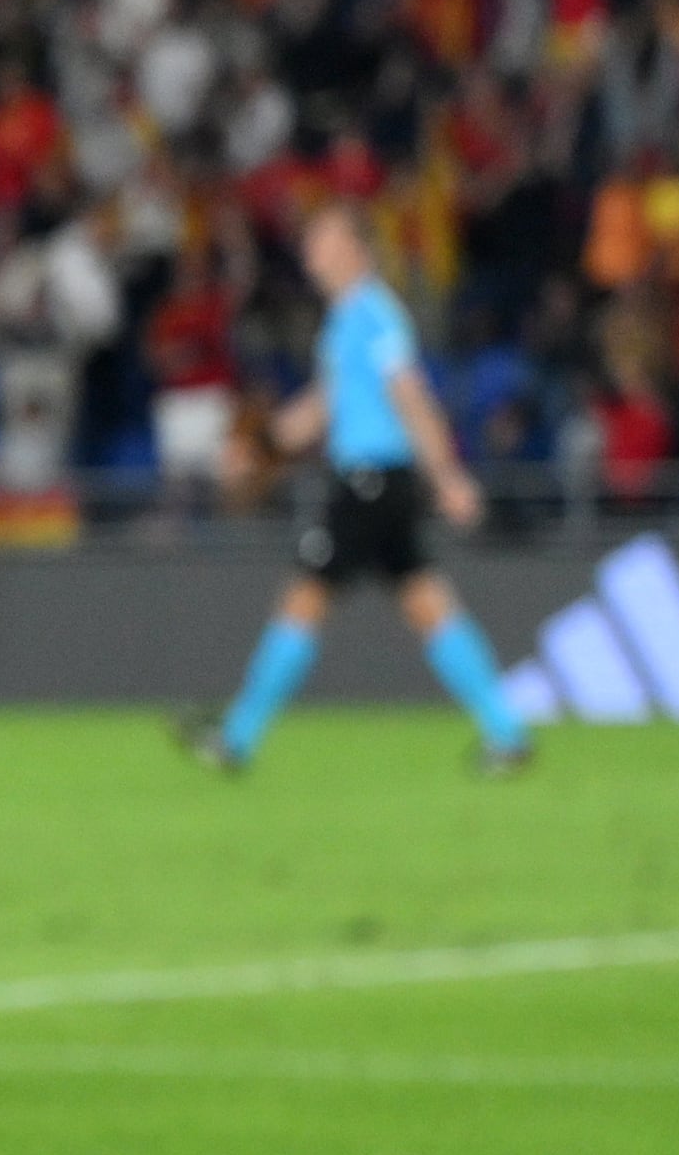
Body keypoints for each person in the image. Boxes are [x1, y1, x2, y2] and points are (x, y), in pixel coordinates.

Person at [183, 200, 535, 776]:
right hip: (382, 483)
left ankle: (237, 737)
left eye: (322, 240)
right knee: (429, 605)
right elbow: (324, 407)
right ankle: (506, 732)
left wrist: (447, 475)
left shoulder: (374, 314)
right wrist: (263, 445)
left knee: (304, 600)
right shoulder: (348, 318)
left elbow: (410, 396)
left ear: (355, 249)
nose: (310, 252)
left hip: (369, 481)